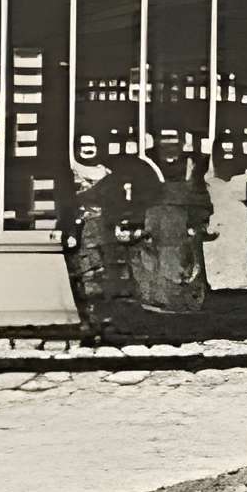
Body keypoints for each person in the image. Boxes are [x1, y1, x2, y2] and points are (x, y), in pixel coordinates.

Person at [128, 126, 208, 319]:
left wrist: (198, 221)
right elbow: (136, 191)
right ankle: (154, 300)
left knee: (185, 259)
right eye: (164, 139)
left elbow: (200, 192)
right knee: (151, 258)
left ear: (181, 142)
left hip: (183, 218)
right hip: (153, 217)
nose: (169, 144)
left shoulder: (193, 163)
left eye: (174, 139)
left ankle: (184, 302)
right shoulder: (146, 161)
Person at [59, 132, 130, 340]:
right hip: (82, 230)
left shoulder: (108, 173)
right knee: (83, 276)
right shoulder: (70, 173)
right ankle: (87, 321)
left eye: (92, 144)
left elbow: (118, 203)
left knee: (108, 276)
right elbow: (65, 204)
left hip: (105, 230)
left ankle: (107, 321)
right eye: (83, 144)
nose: (88, 148)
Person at [202, 142, 247, 298]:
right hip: (216, 227)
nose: (227, 157)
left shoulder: (246, 178)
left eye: (231, 152)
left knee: (237, 269)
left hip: (238, 229)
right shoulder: (206, 178)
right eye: (222, 153)